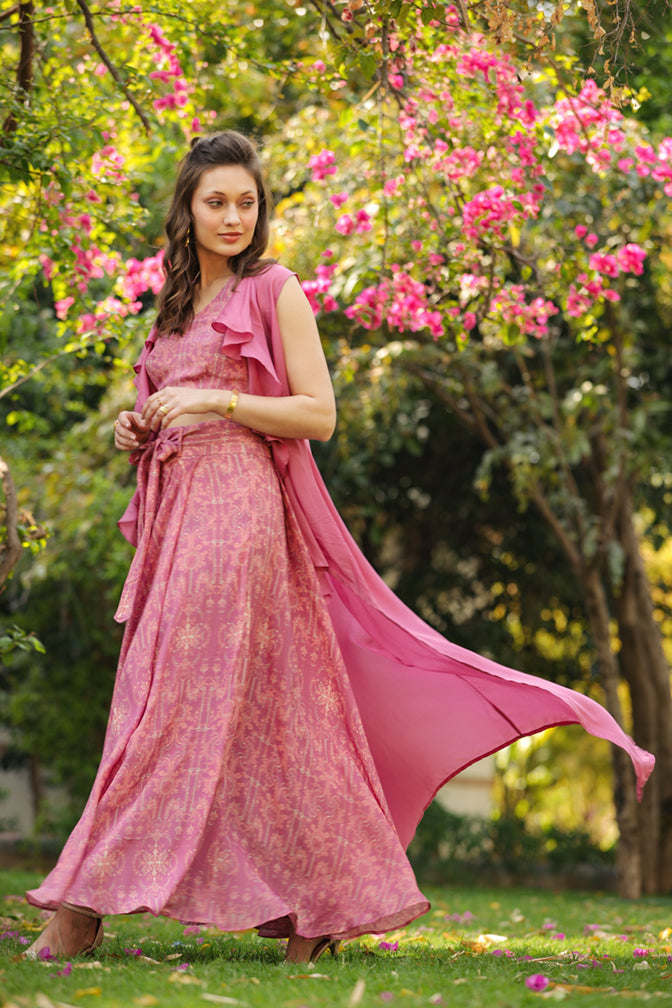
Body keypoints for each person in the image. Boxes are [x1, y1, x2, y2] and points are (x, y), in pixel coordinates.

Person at [25, 131, 654, 964]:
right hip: (177, 519)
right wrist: (135, 426)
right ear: (186, 209)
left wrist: (217, 399)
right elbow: (169, 407)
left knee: (167, 710)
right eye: (216, 201)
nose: (233, 217)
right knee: (252, 715)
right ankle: (318, 909)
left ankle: (81, 910)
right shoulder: (171, 310)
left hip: (239, 515)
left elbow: (318, 413)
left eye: (246, 202)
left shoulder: (275, 290)